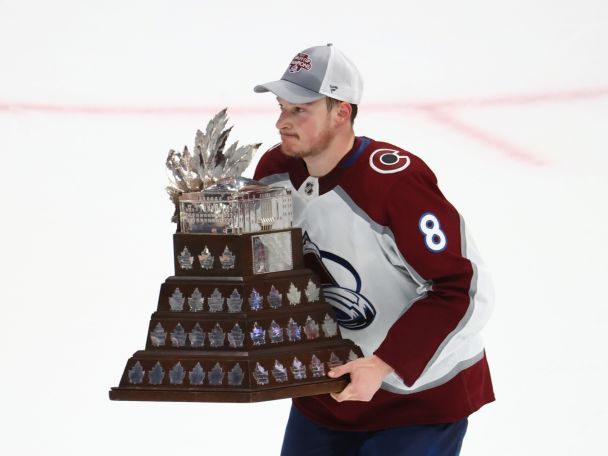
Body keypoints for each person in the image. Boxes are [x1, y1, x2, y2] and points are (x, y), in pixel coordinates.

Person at [253, 43, 495, 456]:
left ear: (341, 111)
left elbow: (460, 287)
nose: (281, 122)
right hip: (326, 392)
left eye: (299, 110)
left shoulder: (395, 185)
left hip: (419, 400)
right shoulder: (274, 172)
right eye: (280, 107)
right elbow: (270, 271)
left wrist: (384, 363)